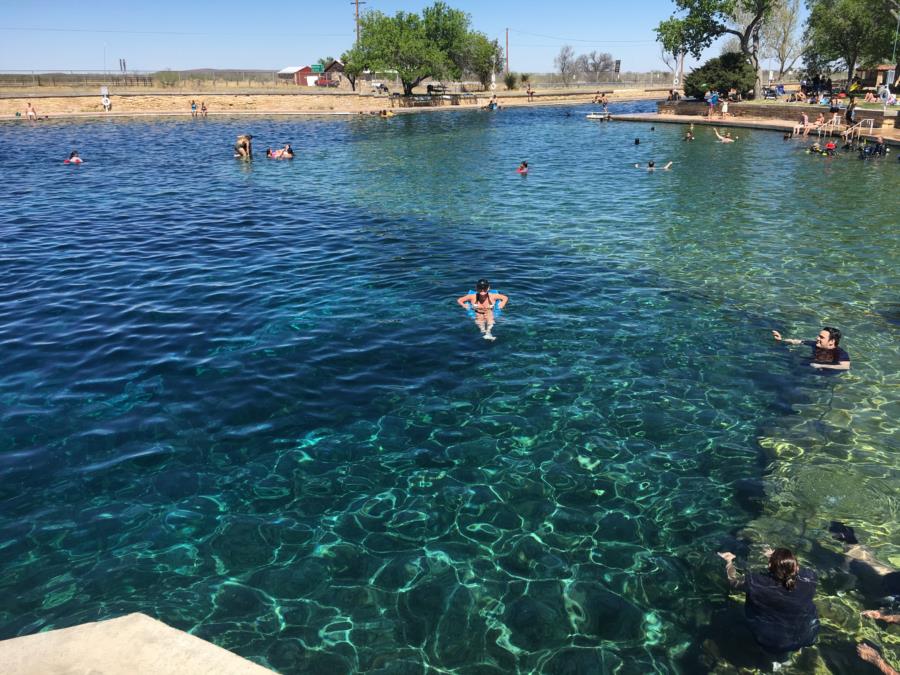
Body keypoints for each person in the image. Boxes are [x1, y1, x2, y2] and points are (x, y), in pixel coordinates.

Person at [717, 548, 819, 658]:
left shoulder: (755, 581)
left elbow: (733, 581)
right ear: (796, 567)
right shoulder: (810, 577)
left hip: (771, 641)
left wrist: (729, 562)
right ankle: (785, 658)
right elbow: (791, 572)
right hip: (807, 635)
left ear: (770, 566)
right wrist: (780, 560)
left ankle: (775, 658)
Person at [771, 326, 850, 370]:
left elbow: (845, 366)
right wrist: (781, 339)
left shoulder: (840, 353)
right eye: (818, 336)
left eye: (821, 337)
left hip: (825, 373)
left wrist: (821, 366)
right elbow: (797, 341)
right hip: (811, 365)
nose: (817, 338)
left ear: (831, 341)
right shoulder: (816, 344)